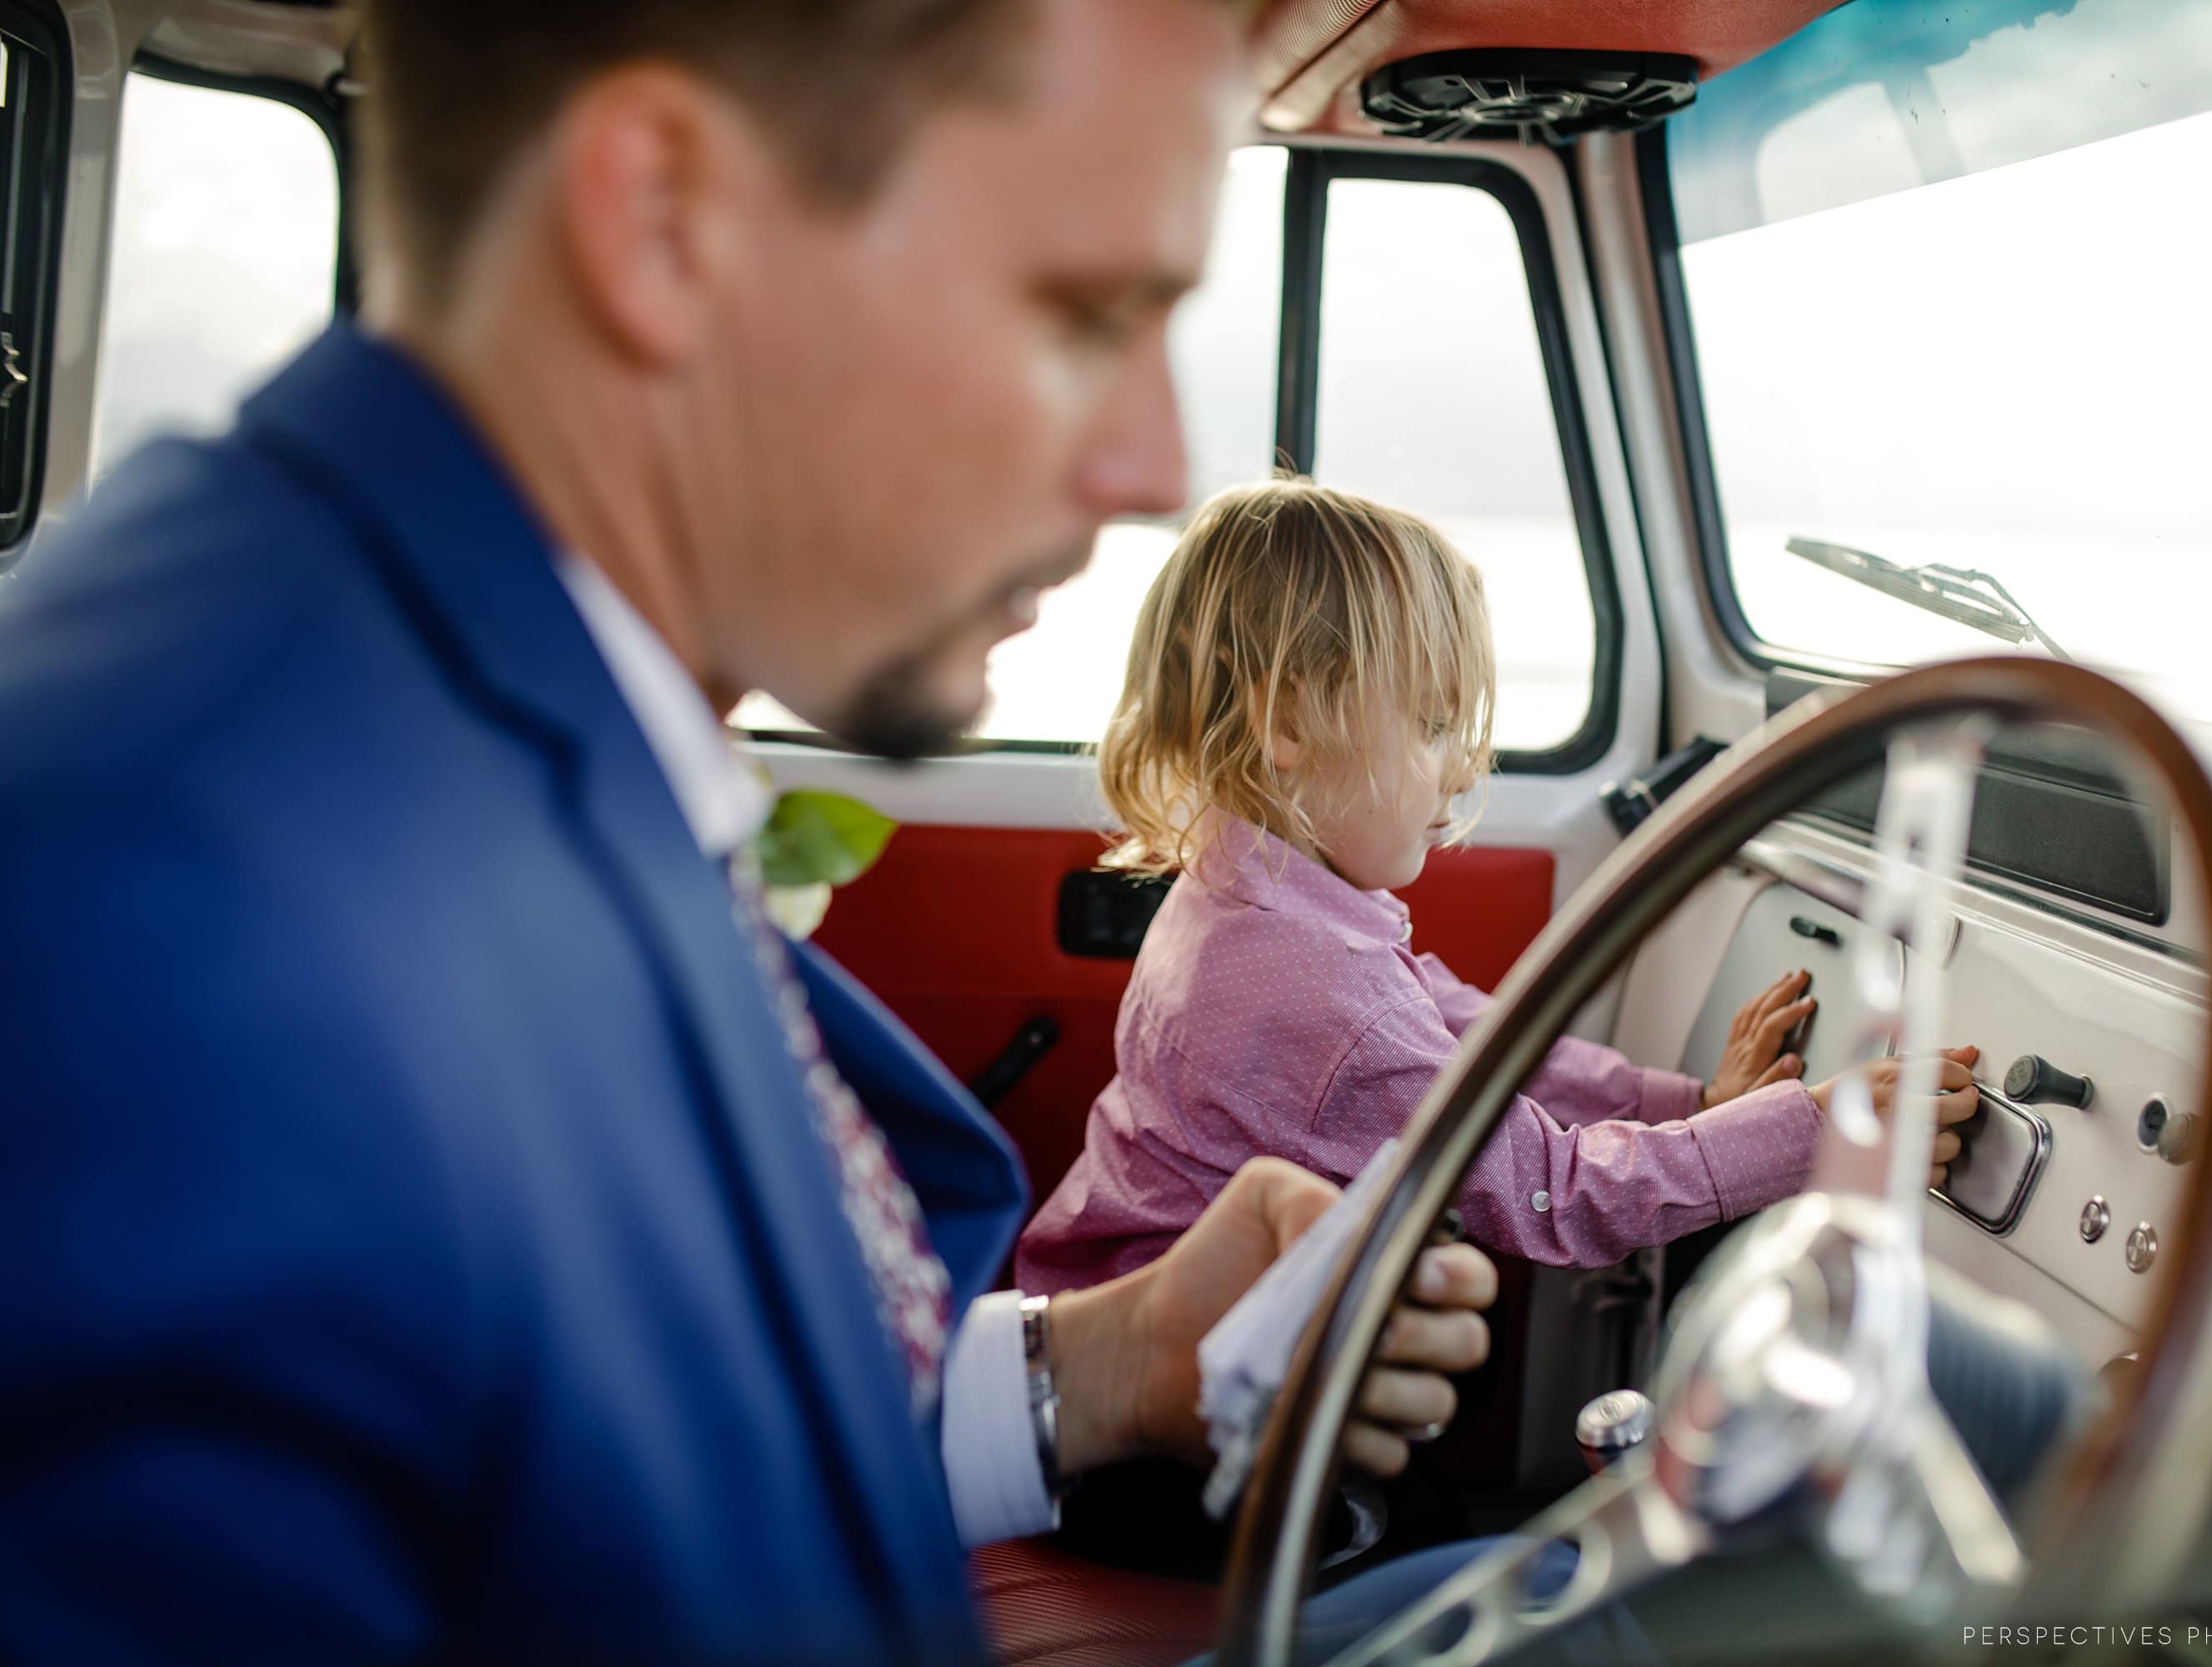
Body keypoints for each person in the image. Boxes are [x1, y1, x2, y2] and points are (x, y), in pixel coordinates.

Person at [0, 3, 1500, 1661]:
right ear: (661, 225)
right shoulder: (167, 929)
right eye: (1080, 311)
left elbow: (591, 1473)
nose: (1150, 463)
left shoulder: (494, 717)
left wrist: (1106, 1362)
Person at [1017, 481, 1981, 1294]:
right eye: (1434, 723)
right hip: (1174, 1437)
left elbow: (1469, 1035)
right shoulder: (1313, 994)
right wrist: (1811, 1131)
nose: (1462, 765)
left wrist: (1682, 1100)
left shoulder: (1250, 897)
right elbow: (1557, 1192)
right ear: (1288, 725)